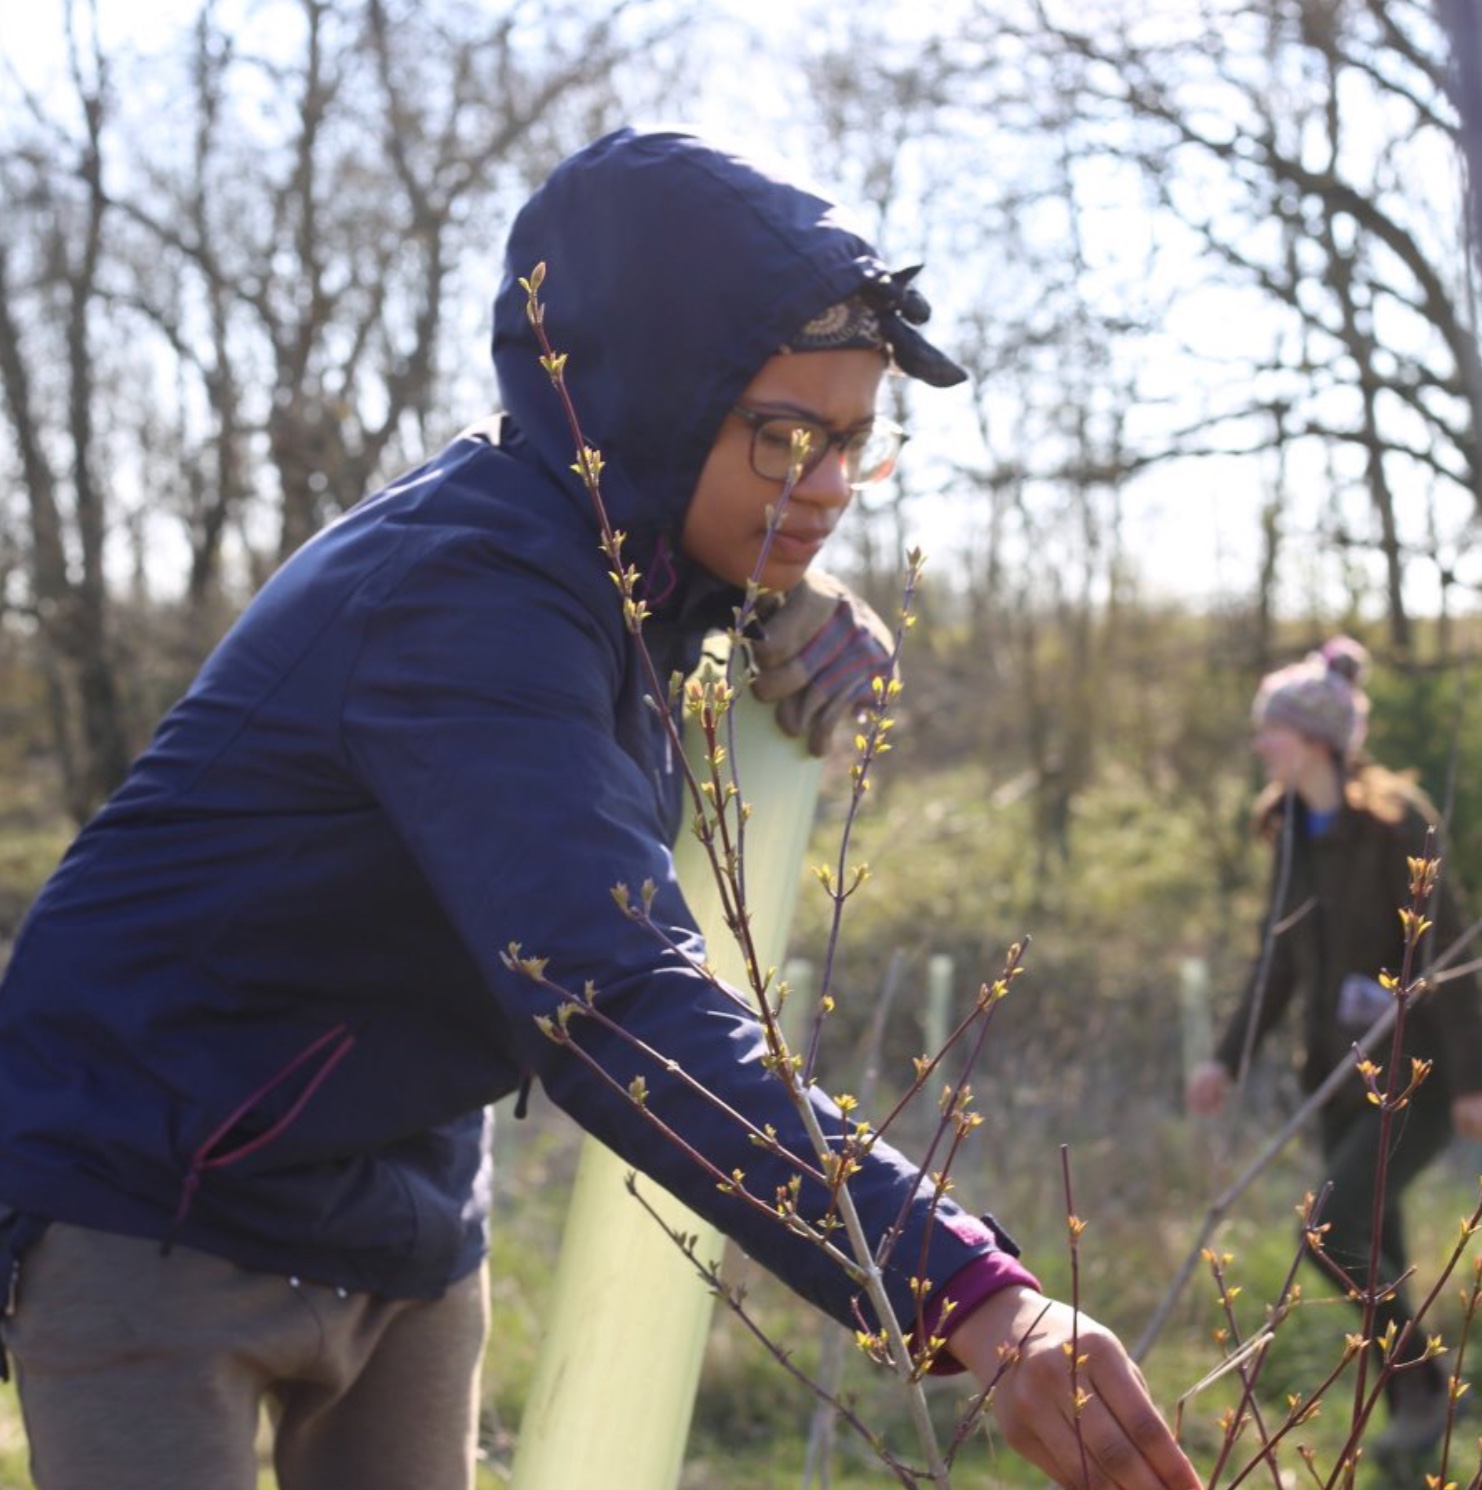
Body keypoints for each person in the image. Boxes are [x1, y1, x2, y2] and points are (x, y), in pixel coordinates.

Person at [0, 129, 1199, 1490]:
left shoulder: (633, 571)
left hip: (403, 1197)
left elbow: (671, 573)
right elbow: (613, 995)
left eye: (853, 444)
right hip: (151, 1184)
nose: (823, 486)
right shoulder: (462, 596)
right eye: (783, 437)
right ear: (653, 411)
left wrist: (781, 597)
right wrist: (968, 1287)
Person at [1185, 637, 1482, 1458]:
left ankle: (1424, 1389)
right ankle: (1412, 1431)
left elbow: (1452, 953)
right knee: (1375, 1250)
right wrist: (1226, 1057)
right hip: (1336, 1083)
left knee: (1329, 1234)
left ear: (1318, 739)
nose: (1261, 744)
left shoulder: (1397, 824)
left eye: (1273, 730)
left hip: (1415, 1080)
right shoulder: (1290, 832)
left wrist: (1476, 1080)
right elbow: (1277, 964)